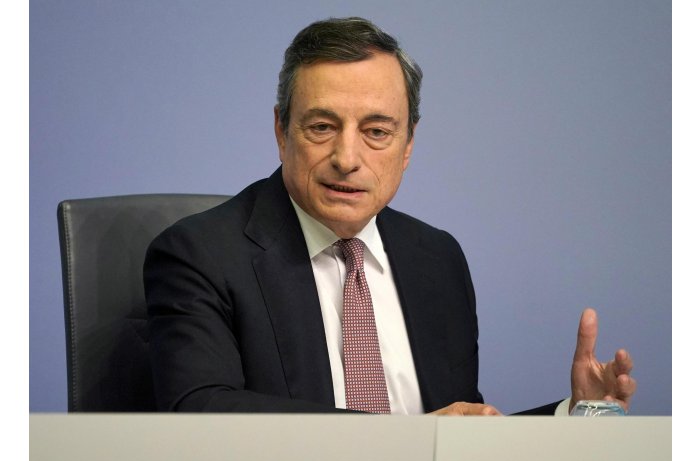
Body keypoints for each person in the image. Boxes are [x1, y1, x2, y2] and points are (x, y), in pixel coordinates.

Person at [144, 17, 636, 415]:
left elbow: (460, 429)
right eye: (322, 126)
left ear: (408, 146)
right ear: (281, 130)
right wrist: (401, 441)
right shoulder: (201, 254)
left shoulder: (437, 258)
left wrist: (572, 415)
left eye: (376, 132)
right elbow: (201, 410)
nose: (347, 158)